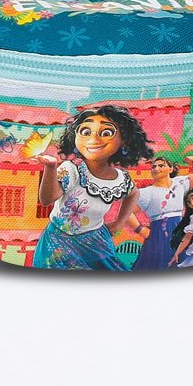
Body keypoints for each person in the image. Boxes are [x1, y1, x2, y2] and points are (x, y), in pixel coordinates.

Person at [33, 104, 153, 270]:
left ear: (124, 140)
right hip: (58, 243)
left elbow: (133, 194)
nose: (93, 139)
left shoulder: (121, 179)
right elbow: (47, 199)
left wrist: (118, 223)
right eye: (85, 131)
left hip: (95, 243)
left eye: (106, 133)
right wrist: (51, 168)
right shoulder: (72, 169)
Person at [130, 157, 192, 271]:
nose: (156, 169)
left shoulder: (179, 183)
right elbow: (127, 213)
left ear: (170, 169)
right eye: (154, 166)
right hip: (158, 235)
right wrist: (140, 229)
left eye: (161, 166)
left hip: (178, 233)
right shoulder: (147, 192)